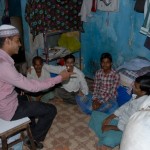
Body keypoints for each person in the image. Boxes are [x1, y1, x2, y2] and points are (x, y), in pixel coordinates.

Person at [0, 24, 72, 149]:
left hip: (6, 101)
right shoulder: (4, 66)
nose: (20, 44)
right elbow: (33, 87)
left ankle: (31, 129)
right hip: (8, 110)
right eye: (17, 40)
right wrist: (59, 78)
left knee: (26, 100)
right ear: (7, 41)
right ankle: (33, 139)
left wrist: (19, 85)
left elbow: (8, 80)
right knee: (50, 110)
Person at [88, 75, 150, 150]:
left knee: (109, 139)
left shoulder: (143, 107)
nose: (132, 86)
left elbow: (131, 127)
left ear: (143, 92)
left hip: (124, 130)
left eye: (135, 87)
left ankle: (106, 139)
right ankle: (105, 135)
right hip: (120, 120)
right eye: (134, 84)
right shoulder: (136, 96)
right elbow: (125, 106)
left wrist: (113, 127)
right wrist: (110, 117)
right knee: (95, 114)